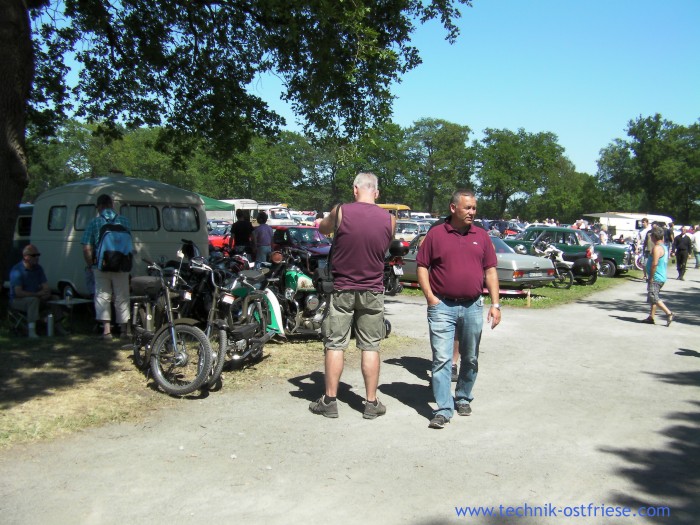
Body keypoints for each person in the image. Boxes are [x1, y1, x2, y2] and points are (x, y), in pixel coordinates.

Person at [309, 172, 395, 420]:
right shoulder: (390, 220)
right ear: (376, 193)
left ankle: (330, 401)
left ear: (355, 189)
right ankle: (371, 402)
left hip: (342, 288)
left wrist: (329, 219)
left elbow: (323, 229)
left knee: (335, 344)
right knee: (371, 345)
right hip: (373, 290)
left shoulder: (341, 211)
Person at [416, 189, 501, 429]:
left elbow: (490, 271)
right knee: (442, 359)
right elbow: (422, 266)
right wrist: (431, 298)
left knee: (470, 358)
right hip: (442, 306)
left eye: (474, 208)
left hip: (473, 305)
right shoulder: (436, 235)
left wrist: (496, 304)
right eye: (468, 208)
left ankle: (463, 396)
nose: (472, 212)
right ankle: (444, 408)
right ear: (453, 208)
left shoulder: (482, 236)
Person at [82, 194, 131, 340]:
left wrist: (91, 264)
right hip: (122, 265)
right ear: (112, 205)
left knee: (103, 296)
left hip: (101, 265)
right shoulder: (124, 221)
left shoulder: (94, 222)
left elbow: (86, 247)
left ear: (99, 207)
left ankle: (107, 331)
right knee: (122, 295)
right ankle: (123, 330)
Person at [9, 244, 67, 338]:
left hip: (36, 297)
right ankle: (32, 331)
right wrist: (37, 294)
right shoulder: (17, 270)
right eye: (34, 255)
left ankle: (58, 326)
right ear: (26, 257)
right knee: (33, 300)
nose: (37, 257)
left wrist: (46, 293)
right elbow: (18, 293)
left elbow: (45, 286)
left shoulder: (38, 268)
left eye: (38, 255)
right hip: (18, 301)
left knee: (55, 298)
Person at [642, 226, 673, 326]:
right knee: (653, 297)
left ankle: (669, 313)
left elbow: (654, 264)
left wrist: (651, 277)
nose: (650, 238)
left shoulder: (657, 248)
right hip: (660, 276)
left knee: (653, 296)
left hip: (656, 277)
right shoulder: (664, 246)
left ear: (654, 237)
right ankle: (651, 317)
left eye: (651, 236)